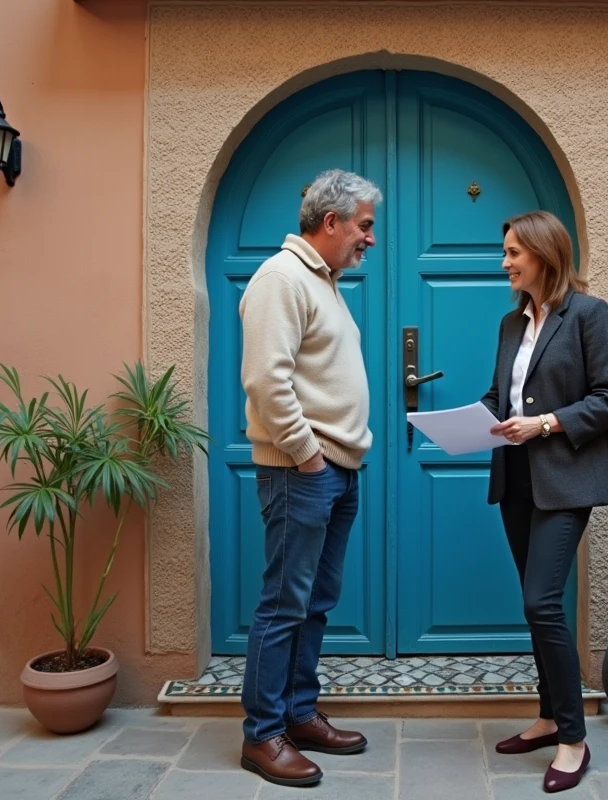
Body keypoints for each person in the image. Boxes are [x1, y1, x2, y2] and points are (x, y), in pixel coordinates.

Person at [236, 168, 382, 788]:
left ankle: (297, 714)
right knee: (283, 604)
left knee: (315, 603)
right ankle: (262, 734)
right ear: (332, 222)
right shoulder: (281, 278)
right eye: (365, 225)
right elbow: (267, 381)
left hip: (336, 470)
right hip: (305, 472)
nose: (370, 238)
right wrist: (307, 456)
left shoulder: (324, 281)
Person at [481, 210, 608, 793]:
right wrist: (472, 422)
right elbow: (501, 395)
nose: (506, 262)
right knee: (534, 602)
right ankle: (547, 717)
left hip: (566, 479)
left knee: (542, 602)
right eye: (506, 251)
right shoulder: (510, 323)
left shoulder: (589, 316)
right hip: (516, 479)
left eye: (514, 252)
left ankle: (573, 737)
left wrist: (544, 424)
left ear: (544, 254)